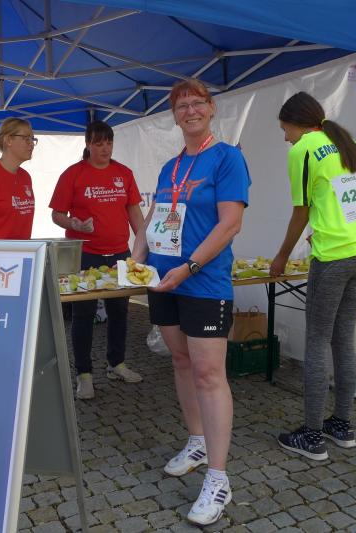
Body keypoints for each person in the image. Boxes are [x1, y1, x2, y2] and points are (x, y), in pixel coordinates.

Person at [131, 79, 250, 526]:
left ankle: (218, 478)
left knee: (208, 374)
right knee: (181, 363)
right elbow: (154, 217)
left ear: (211, 108)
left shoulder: (228, 158)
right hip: (164, 282)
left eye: (197, 103)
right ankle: (196, 441)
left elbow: (230, 224)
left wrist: (190, 266)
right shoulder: (171, 166)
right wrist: (136, 260)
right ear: (175, 115)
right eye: (181, 106)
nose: (190, 111)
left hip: (204, 283)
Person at [269, 91, 356, 461]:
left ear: (297, 123)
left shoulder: (304, 149)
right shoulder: (348, 147)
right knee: (344, 339)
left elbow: (300, 211)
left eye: (285, 130)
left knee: (317, 340)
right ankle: (342, 425)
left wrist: (281, 256)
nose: (286, 138)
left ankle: (312, 435)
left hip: (332, 256)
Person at [49, 121, 145, 400]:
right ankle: (84, 375)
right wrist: (74, 224)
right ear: (88, 144)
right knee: (83, 314)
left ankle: (116, 364)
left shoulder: (123, 173)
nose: (105, 148)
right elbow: (57, 214)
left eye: (109, 142)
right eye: (99, 143)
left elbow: (134, 212)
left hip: (119, 254)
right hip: (85, 254)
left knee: (120, 311)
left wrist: (144, 245)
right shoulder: (73, 174)